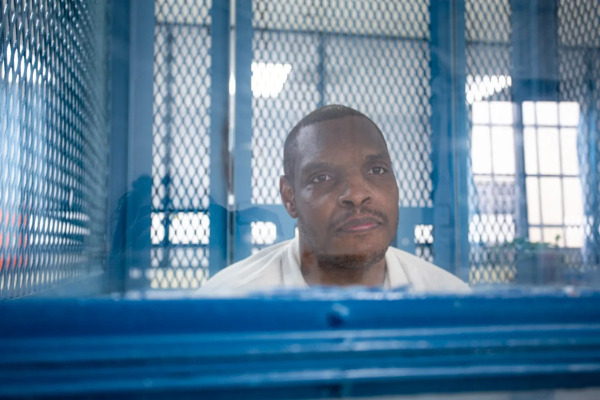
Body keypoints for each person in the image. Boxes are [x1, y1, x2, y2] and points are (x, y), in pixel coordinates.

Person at [202, 105, 469, 293]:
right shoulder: (227, 304)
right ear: (289, 197)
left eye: (376, 170)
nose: (356, 194)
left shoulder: (451, 301)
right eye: (322, 177)